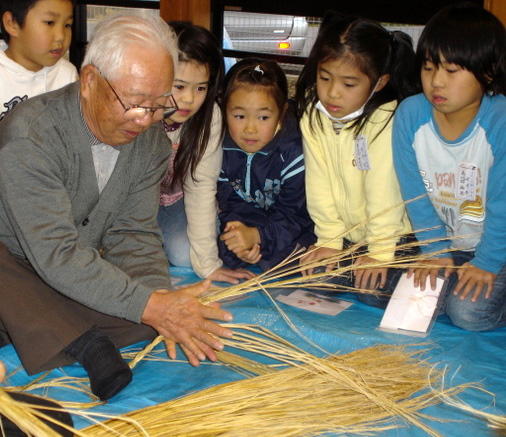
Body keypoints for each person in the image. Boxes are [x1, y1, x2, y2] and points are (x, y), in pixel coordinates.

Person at [0, 15, 233, 402]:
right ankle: (83, 340)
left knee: (144, 320)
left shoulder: (151, 143)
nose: (145, 119)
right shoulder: (31, 134)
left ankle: (47, 329)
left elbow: (134, 233)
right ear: (89, 81)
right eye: (135, 103)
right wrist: (149, 305)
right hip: (16, 267)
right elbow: (54, 252)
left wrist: (161, 299)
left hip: (63, 273)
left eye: (159, 105)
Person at [393, 4, 506, 331]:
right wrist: (436, 251)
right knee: (386, 293)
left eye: (452, 70)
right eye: (428, 68)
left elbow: (502, 204)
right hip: (449, 244)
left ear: (487, 72)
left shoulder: (499, 120)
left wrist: (487, 263)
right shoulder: (411, 115)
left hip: (497, 244)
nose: (436, 82)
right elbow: (413, 193)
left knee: (468, 312)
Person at [296, 12, 420, 305]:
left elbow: (384, 194)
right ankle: (358, 274)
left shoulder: (386, 119)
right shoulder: (314, 114)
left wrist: (380, 254)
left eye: (349, 85)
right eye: (324, 77)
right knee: (315, 277)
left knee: (374, 292)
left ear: (379, 83)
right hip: (351, 237)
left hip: (393, 237)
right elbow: (318, 182)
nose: (332, 93)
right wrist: (329, 241)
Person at [158, 21, 254, 284]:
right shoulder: (143, 112)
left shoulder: (209, 117)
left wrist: (209, 265)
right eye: (179, 86)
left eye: (201, 88)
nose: (190, 99)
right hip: (135, 204)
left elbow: (200, 188)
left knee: (185, 256)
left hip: (177, 201)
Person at [217, 58, 315, 271]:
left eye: (263, 117)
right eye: (240, 116)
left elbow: (295, 214)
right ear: (224, 110)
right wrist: (238, 229)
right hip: (249, 218)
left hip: (291, 224)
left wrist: (257, 235)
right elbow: (230, 201)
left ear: (282, 112)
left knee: (279, 261)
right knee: (226, 248)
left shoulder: (294, 153)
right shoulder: (219, 147)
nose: (250, 129)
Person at [0, 0, 78, 121]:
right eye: (50, 22)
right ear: (12, 23)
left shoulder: (67, 75)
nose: (61, 36)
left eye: (67, 25)